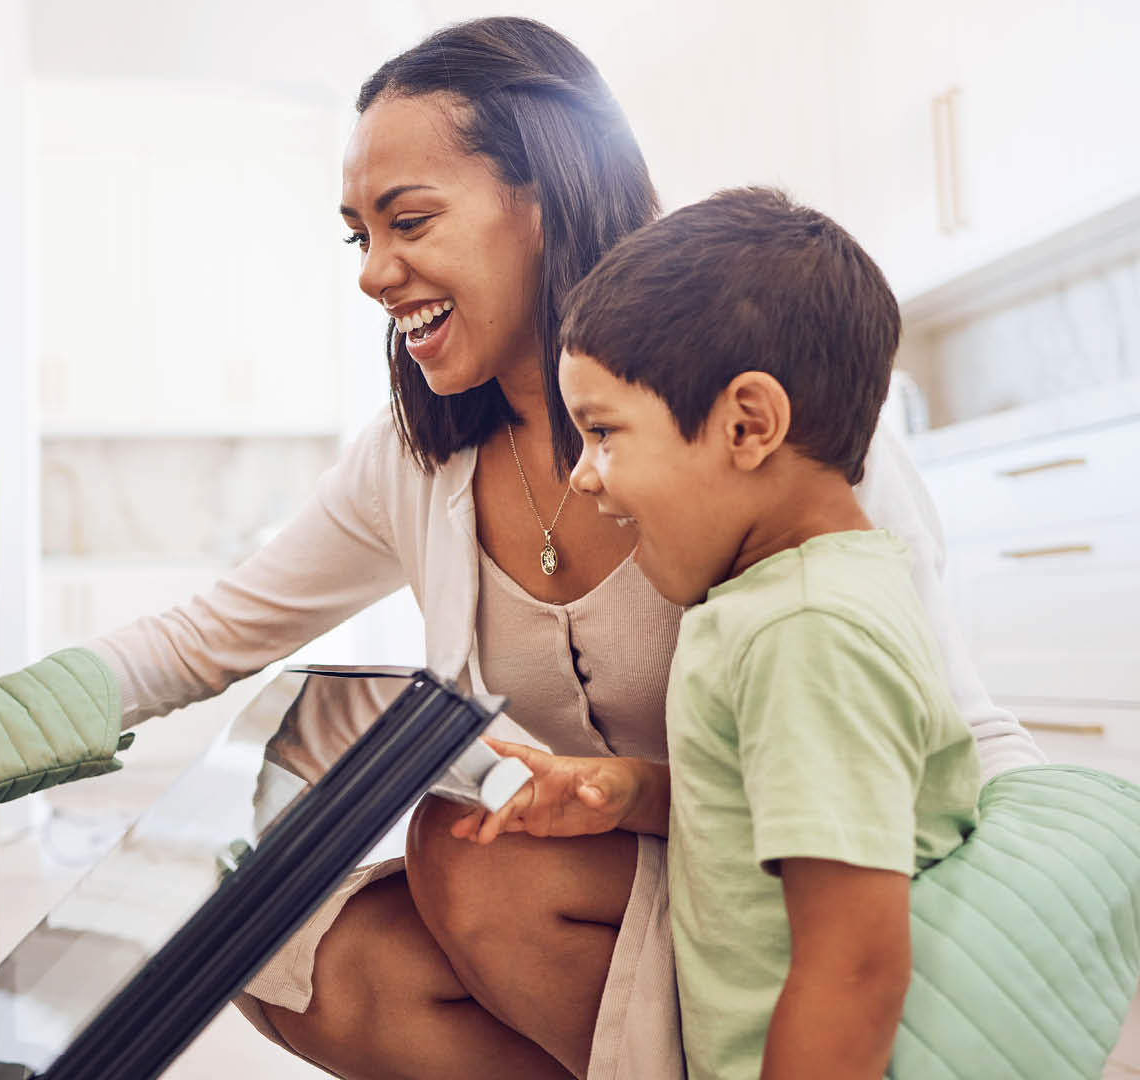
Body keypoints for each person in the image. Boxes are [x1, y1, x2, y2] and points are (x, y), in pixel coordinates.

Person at [83, 17, 1041, 1080]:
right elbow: (207, 634)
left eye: (408, 219)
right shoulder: (420, 458)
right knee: (321, 942)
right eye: (360, 235)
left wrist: (1035, 935)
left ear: (543, 197)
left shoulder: (775, 450)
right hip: (687, 867)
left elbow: (931, 740)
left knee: (474, 866)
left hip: (809, 900)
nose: (372, 273)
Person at [529, 185, 978, 1078]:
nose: (583, 478)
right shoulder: (778, 605)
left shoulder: (806, 632)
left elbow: (853, 964)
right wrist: (636, 792)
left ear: (748, 424)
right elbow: (761, 817)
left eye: (603, 433)